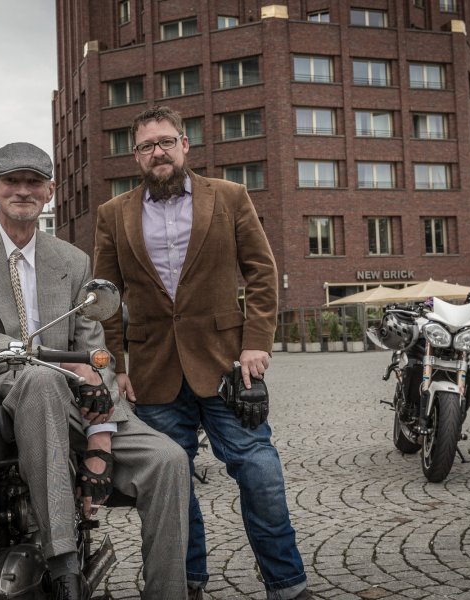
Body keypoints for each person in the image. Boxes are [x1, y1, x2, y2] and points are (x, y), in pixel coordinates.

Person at [0, 142, 189, 600]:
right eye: (12, 181)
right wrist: (65, 367)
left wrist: (101, 441)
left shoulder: (73, 262)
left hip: (72, 396)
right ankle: (63, 565)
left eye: (34, 182)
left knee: (169, 461)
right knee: (42, 378)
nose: (23, 191)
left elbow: (94, 354)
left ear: (50, 191)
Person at [94, 106, 311, 600]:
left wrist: (256, 341)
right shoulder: (113, 214)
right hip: (152, 373)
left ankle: (287, 583)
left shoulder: (230, 197)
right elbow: (105, 296)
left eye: (166, 141)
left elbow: (260, 271)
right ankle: (187, 582)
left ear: (185, 145)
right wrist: (117, 368)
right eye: (148, 146)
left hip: (226, 365)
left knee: (260, 471)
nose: (159, 152)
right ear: (136, 156)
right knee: (171, 485)